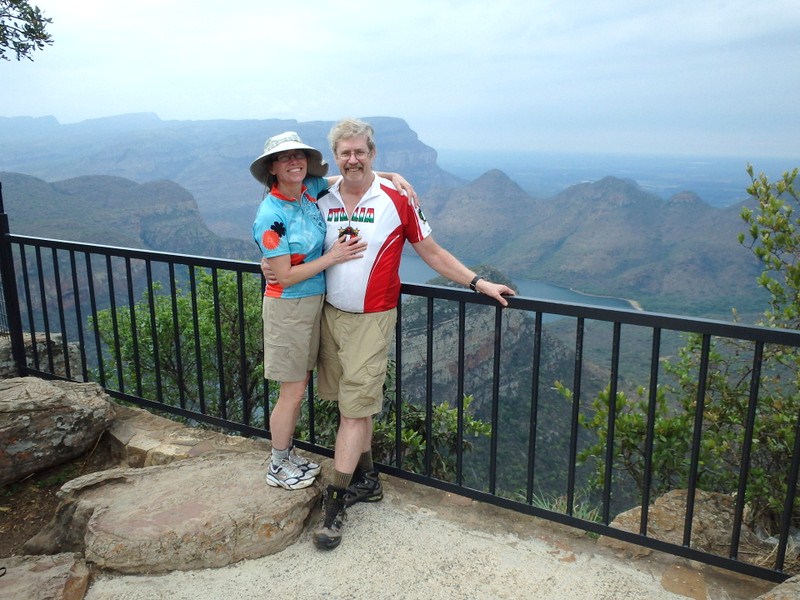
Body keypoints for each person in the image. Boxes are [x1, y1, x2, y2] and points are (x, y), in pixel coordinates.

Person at [310, 118, 515, 549]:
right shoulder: (320, 194)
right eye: (345, 152)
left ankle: (335, 505)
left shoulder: (396, 199)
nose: (353, 159)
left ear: (373, 152)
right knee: (353, 406)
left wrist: (479, 283)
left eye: (360, 152)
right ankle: (368, 480)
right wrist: (384, 173)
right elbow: (286, 185)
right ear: (336, 156)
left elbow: (433, 252)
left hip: (372, 318)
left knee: (352, 411)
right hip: (329, 315)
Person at [251, 131, 418, 491]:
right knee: (292, 392)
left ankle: (290, 455)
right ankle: (278, 463)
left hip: (317, 307)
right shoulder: (272, 213)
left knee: (301, 388)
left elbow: (351, 173)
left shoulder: (309, 190)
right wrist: (334, 257)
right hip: (289, 308)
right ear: (272, 169)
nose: (294, 162)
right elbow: (284, 275)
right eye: (284, 158)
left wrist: (390, 176)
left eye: (299, 156)